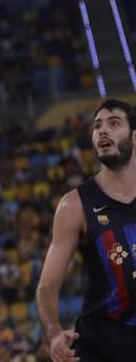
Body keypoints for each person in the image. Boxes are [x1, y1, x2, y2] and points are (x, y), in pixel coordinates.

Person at [36, 99, 136, 362]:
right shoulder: (74, 205)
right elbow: (46, 287)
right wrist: (54, 332)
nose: (103, 131)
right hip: (102, 342)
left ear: (135, 137)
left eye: (114, 123)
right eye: (97, 126)